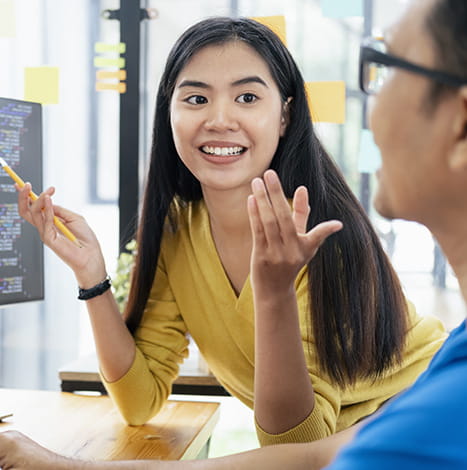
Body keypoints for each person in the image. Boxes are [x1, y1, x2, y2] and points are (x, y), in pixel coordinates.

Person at [0, 0, 465, 468]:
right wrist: (93, 279)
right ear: (169, 113)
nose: (219, 119)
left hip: (409, 418)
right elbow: (140, 401)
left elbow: (297, 449)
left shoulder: (314, 236)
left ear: (284, 116)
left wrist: (273, 292)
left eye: (246, 97)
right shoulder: (179, 227)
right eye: (196, 98)